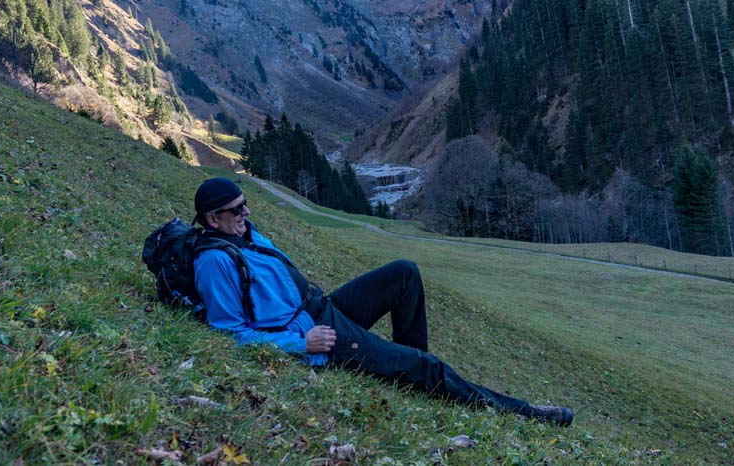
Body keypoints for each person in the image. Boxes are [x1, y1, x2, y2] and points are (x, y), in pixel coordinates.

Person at [191, 177, 574, 427]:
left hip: (322, 309)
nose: (247, 213)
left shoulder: (245, 235)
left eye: (245, 204)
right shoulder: (214, 262)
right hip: (318, 338)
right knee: (426, 365)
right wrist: (299, 344)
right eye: (237, 209)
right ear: (212, 219)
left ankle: (411, 374)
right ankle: (526, 413)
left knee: (404, 273)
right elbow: (229, 333)